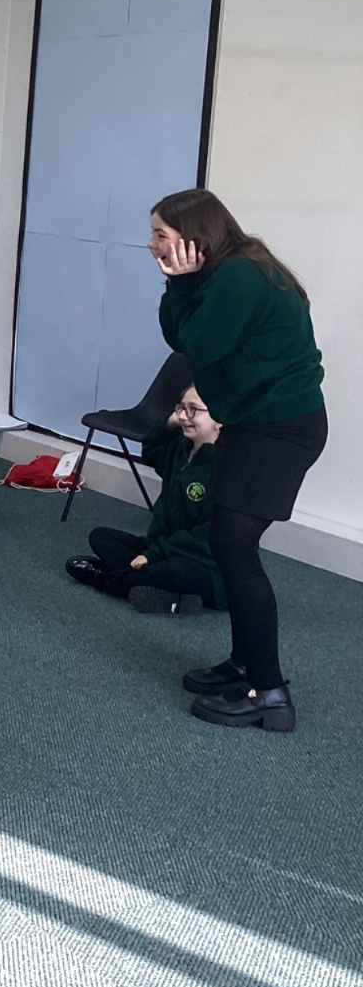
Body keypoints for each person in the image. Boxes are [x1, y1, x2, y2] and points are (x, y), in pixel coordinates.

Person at [150, 189, 326, 732]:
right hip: (254, 424)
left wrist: (181, 283)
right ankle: (244, 664)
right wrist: (179, 283)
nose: (151, 244)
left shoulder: (239, 277)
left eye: (160, 234)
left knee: (234, 548)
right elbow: (178, 335)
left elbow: (199, 346)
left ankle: (270, 694)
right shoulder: (222, 273)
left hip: (279, 431)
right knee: (228, 544)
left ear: (194, 237)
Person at [65, 385, 225, 615]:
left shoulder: (225, 468)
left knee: (176, 570)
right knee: (100, 537)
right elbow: (150, 451)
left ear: (219, 419)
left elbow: (206, 538)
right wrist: (167, 424)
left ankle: (110, 581)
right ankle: (172, 596)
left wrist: (154, 555)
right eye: (181, 408)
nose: (183, 416)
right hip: (162, 546)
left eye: (193, 410)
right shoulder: (179, 449)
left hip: (201, 562)